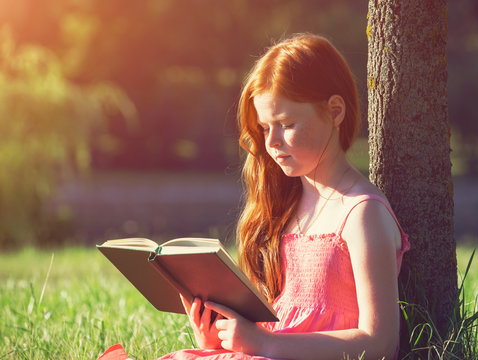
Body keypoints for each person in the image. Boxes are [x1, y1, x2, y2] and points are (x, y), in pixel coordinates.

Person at [98, 33, 409, 360]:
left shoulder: (362, 213)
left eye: (286, 123)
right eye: (263, 128)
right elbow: (279, 330)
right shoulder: (287, 207)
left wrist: (263, 345)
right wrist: (220, 340)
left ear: (334, 111)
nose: (271, 141)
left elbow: (381, 343)